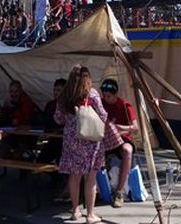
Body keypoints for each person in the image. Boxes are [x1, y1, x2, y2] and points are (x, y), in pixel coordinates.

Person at [55, 66, 106, 224]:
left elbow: (58, 118)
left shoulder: (64, 95)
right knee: (90, 177)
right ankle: (90, 215)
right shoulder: (92, 94)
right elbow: (103, 114)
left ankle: (75, 210)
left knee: (74, 176)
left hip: (72, 139)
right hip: (90, 139)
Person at [101, 78, 139, 208]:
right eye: (104, 95)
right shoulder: (100, 104)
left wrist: (117, 127)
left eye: (109, 96)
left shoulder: (124, 105)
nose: (106, 98)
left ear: (115, 94)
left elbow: (135, 127)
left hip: (122, 138)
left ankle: (119, 191)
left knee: (127, 151)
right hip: (105, 139)